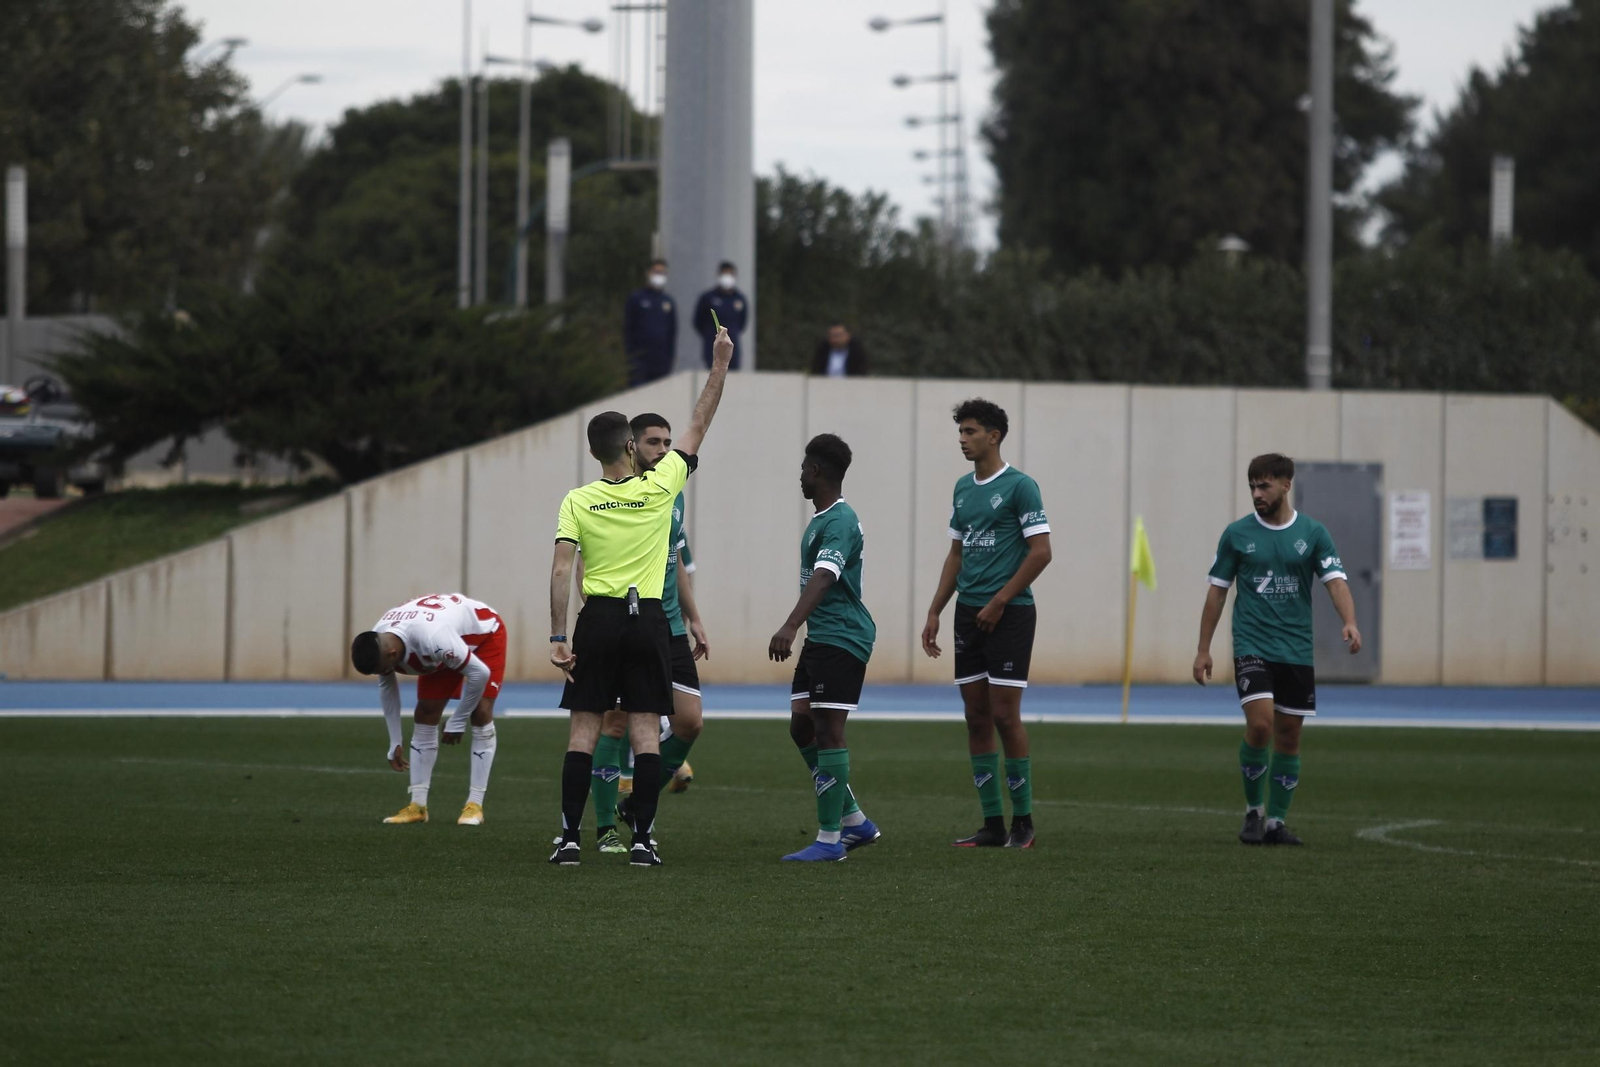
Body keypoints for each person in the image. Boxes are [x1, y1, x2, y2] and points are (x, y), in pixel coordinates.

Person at [547, 324, 735, 867]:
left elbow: (563, 570)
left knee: (584, 729)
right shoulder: (659, 486)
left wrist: (560, 635)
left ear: (592, 451)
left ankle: (568, 840)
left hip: (598, 619)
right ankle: (643, 842)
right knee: (646, 731)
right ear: (632, 447)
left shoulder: (577, 500)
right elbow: (699, 423)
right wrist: (719, 363)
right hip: (648, 617)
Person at [1194, 452, 1362, 847]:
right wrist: (1203, 649)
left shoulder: (1314, 533)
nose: (1257, 492)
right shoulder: (1236, 534)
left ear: (1286, 485)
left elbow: (1335, 582)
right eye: (1252, 485)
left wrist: (1350, 621)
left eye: (1264, 485)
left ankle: (1276, 823)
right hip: (1252, 643)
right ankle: (1254, 812)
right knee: (1261, 724)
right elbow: (1217, 594)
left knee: (1288, 737)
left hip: (1297, 649)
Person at [921, 398, 1052, 849]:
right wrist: (936, 609)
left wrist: (1000, 600)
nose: (962, 439)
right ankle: (993, 824)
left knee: (1003, 715)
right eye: (960, 432)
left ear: (993, 436)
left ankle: (1024, 823)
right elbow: (956, 555)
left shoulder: (1020, 487)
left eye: (970, 431)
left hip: (1010, 614)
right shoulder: (962, 488)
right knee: (975, 717)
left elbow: (1042, 553)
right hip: (968, 615)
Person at [582, 413, 710, 855]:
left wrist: (694, 618)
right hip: (626, 625)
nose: (662, 448)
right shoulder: (611, 496)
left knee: (690, 722)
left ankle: (637, 805)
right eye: (653, 441)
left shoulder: (671, 493)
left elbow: (675, 562)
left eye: (668, 441)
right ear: (632, 446)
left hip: (668, 628)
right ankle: (605, 830)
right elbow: (585, 565)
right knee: (616, 723)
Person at [768, 433, 882, 862]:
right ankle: (855, 821)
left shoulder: (839, 521)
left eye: (803, 468)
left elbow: (824, 576)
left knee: (830, 731)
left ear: (816, 471)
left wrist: (789, 625)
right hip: (822, 637)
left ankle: (830, 841)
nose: (799, 475)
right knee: (802, 727)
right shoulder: (822, 518)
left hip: (842, 636)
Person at [349, 594, 506, 827]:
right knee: (425, 713)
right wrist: (395, 741)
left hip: (483, 637)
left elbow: (479, 673)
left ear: (392, 655)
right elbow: (387, 688)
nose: (382, 673)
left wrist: (458, 719)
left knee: (480, 713)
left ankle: (475, 806)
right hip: (442, 648)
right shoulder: (380, 636)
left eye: (382, 668)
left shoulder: (432, 638)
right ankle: (418, 806)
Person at [623, 259, 678, 386]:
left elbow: (672, 332)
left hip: (661, 362)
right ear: (648, 273)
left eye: (662, 273)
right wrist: (631, 356)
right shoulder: (637, 298)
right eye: (656, 272)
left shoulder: (668, 302)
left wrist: (669, 360)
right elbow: (628, 328)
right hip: (640, 361)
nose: (659, 276)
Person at [692, 261, 749, 371]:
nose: (727, 278)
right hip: (712, 348)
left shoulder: (740, 299)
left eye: (730, 274)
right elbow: (698, 321)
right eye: (724, 274)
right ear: (719, 275)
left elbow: (742, 323)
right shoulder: (708, 298)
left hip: (733, 349)